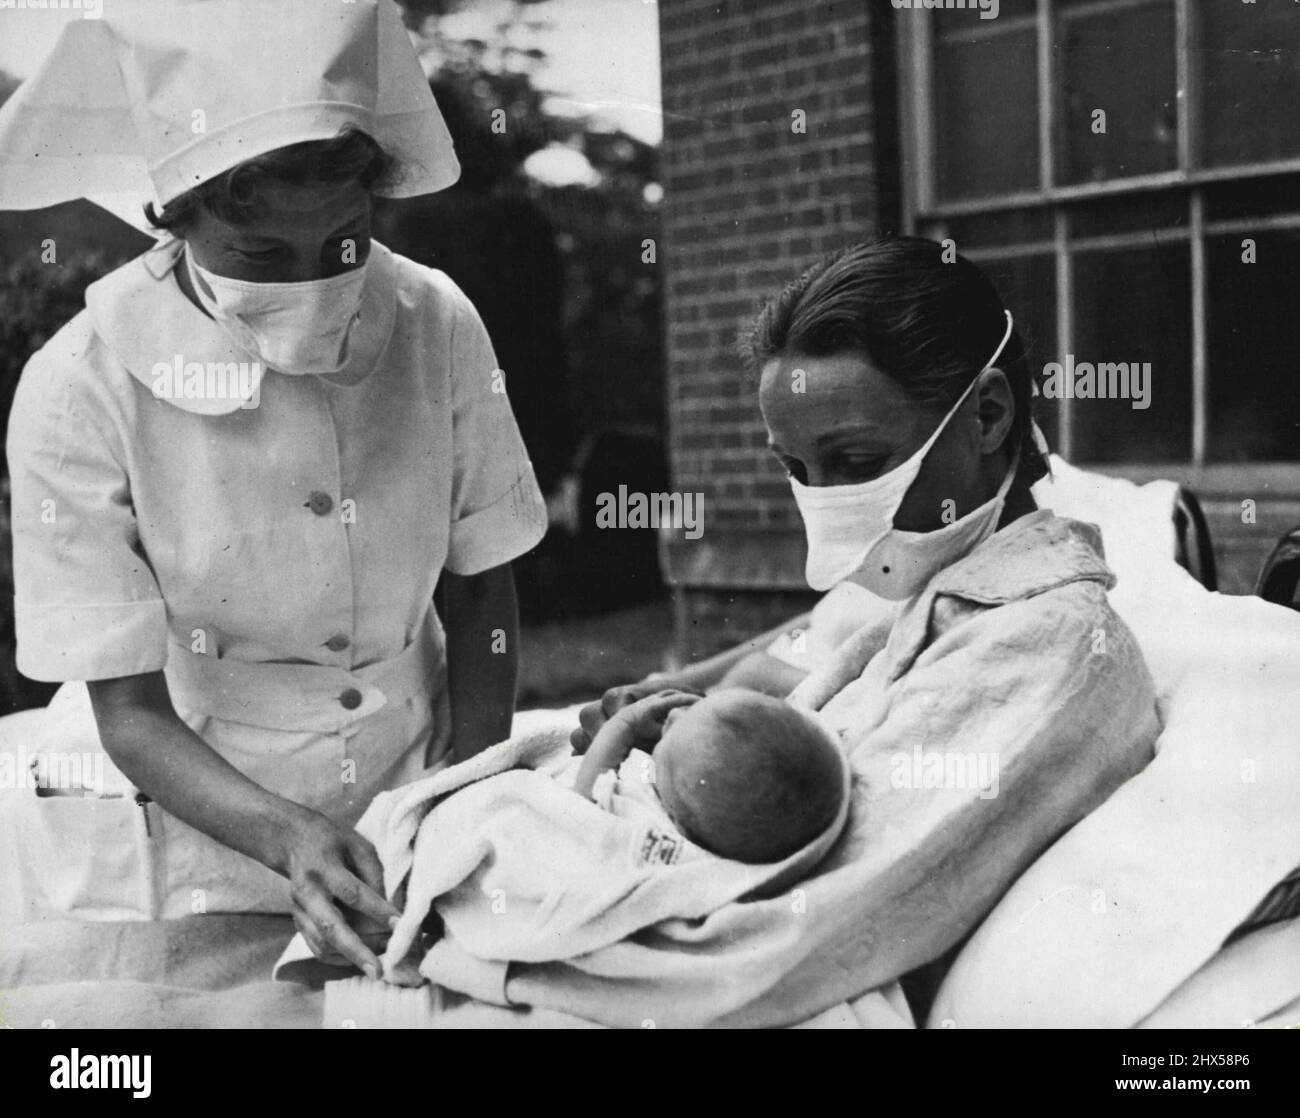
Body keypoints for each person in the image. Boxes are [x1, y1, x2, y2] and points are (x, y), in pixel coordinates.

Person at [0, 0, 547, 978]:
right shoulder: (79, 384)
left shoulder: (438, 323)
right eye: (260, 258)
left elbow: (480, 594)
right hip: (179, 828)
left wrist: (461, 796)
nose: (309, 282)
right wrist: (286, 833)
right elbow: (127, 707)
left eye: (341, 242)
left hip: (401, 777)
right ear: (171, 214)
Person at [573, 688, 846, 864]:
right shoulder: (709, 823)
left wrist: (625, 724)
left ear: (678, 823)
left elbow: (586, 802)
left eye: (665, 741)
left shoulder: (652, 834)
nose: (674, 714)